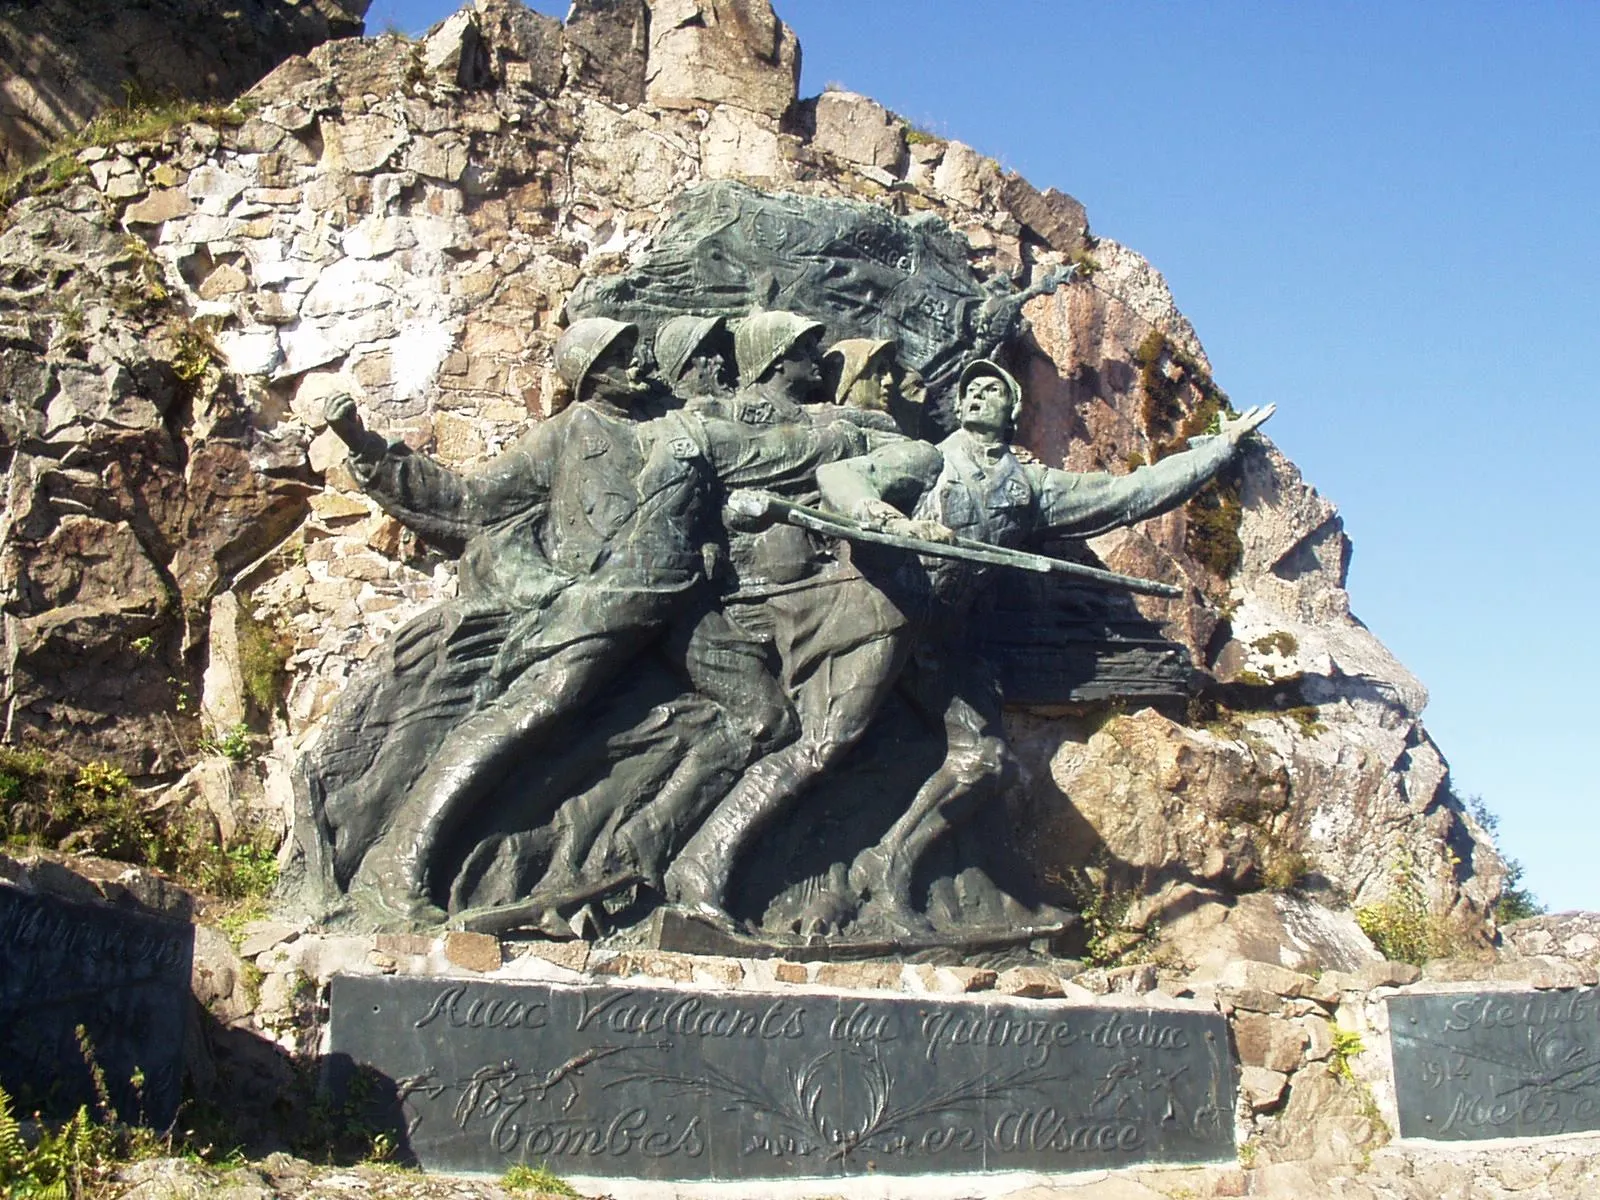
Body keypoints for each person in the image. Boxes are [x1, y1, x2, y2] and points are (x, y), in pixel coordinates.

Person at [316, 318, 872, 926]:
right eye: (620, 356)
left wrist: (852, 436)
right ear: (590, 375)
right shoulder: (568, 434)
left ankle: (653, 858)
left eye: (635, 351)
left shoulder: (676, 422)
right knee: (535, 708)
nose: (638, 365)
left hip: (685, 603)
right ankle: (399, 864)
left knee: (764, 719)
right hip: (611, 598)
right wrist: (367, 449)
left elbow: (768, 449)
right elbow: (470, 505)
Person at [816, 359, 1275, 933]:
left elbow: (1127, 496)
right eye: (972, 389)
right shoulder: (929, 458)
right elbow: (841, 478)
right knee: (825, 743)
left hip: (947, 639)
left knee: (982, 763)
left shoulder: (1029, 487)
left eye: (993, 389)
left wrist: (1217, 449)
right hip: (883, 612)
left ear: (1012, 413)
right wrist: (881, 516)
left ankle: (885, 869)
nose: (979, 396)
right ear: (959, 408)